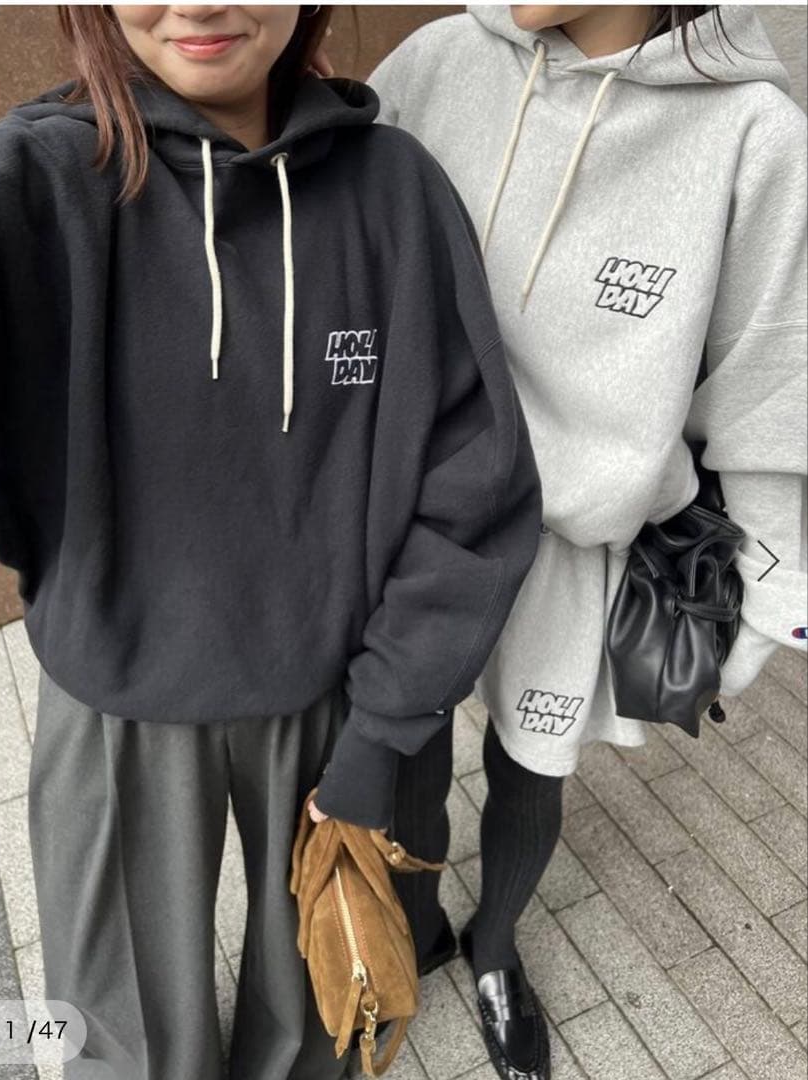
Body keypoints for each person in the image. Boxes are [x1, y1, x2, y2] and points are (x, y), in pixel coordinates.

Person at [0, 4, 543, 1079]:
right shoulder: (44, 181)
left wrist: (385, 730)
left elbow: (472, 484)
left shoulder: (395, 191)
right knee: (121, 1046)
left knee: (313, 1031)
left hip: (335, 704)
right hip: (116, 707)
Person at [358, 5, 808, 1077]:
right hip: (412, 511)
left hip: (575, 535)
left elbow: (768, 380)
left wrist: (772, 586)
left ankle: (495, 949)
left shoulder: (754, 135)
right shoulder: (437, 59)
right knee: (406, 745)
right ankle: (415, 927)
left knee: (531, 762)